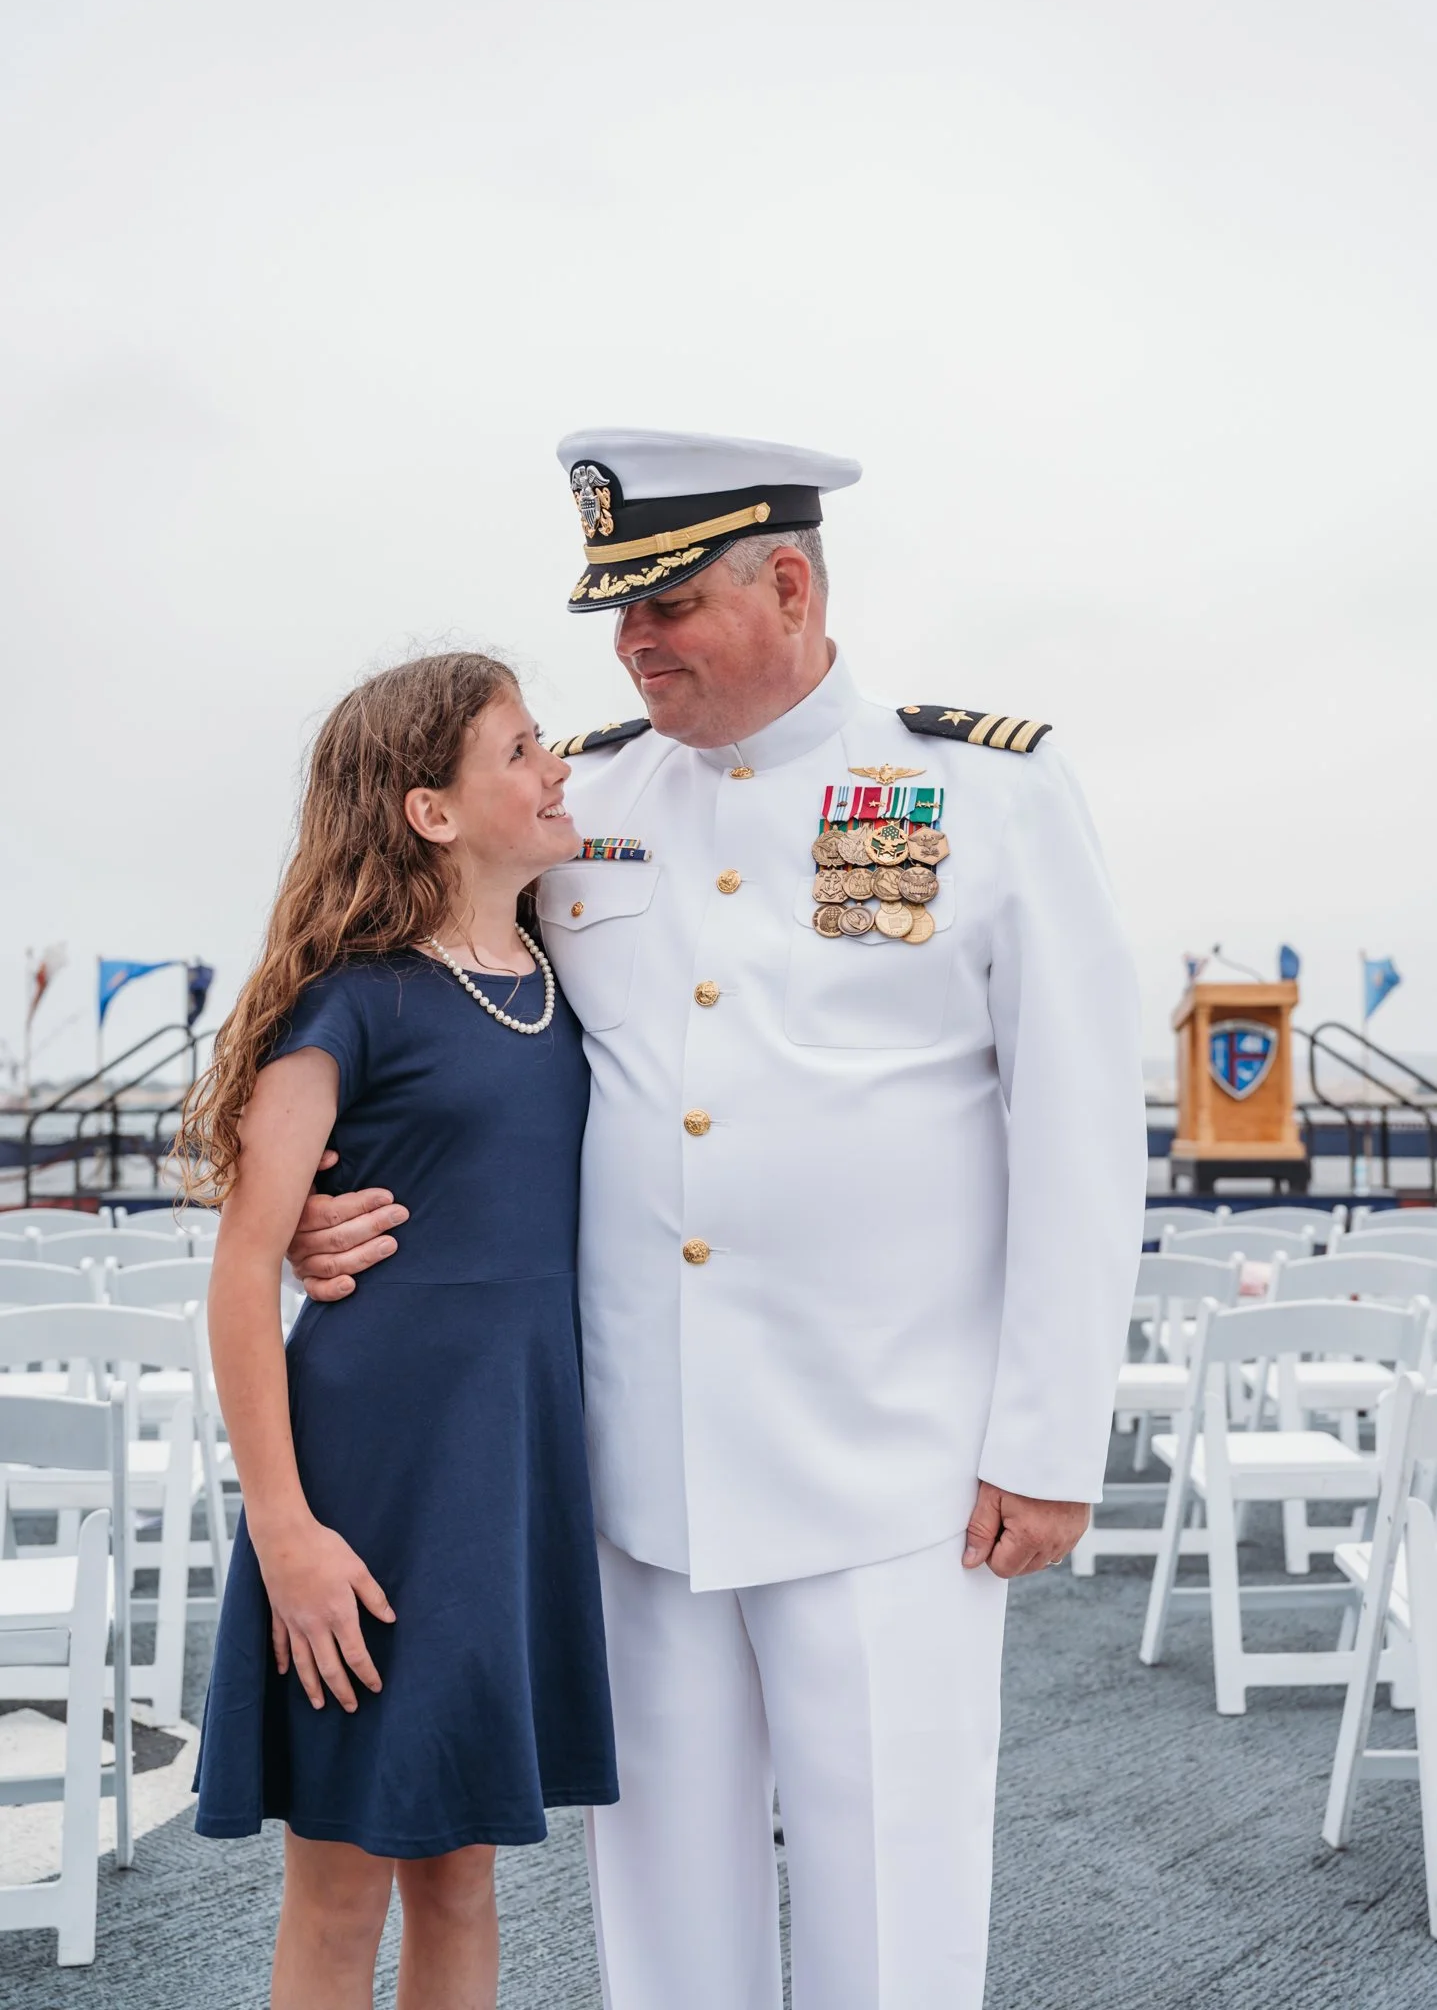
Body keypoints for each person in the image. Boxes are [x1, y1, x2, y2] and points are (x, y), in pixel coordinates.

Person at [291, 431, 1147, 2009]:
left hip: (894, 1463)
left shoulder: (990, 790)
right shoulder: (585, 798)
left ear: (794, 582)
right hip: (641, 1469)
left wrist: (1049, 1439)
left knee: (891, 1916)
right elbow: (408, 989)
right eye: (615, 615)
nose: (630, 644)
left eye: (666, 603)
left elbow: (1084, 1133)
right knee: (668, 1938)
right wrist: (305, 1206)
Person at [180, 652, 618, 2010]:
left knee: (463, 1872)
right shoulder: (349, 1004)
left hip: (506, 1480)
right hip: (365, 1483)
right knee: (341, 1883)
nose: (558, 768)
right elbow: (245, 1269)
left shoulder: (568, 977)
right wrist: (286, 1532)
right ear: (432, 811)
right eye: (521, 750)